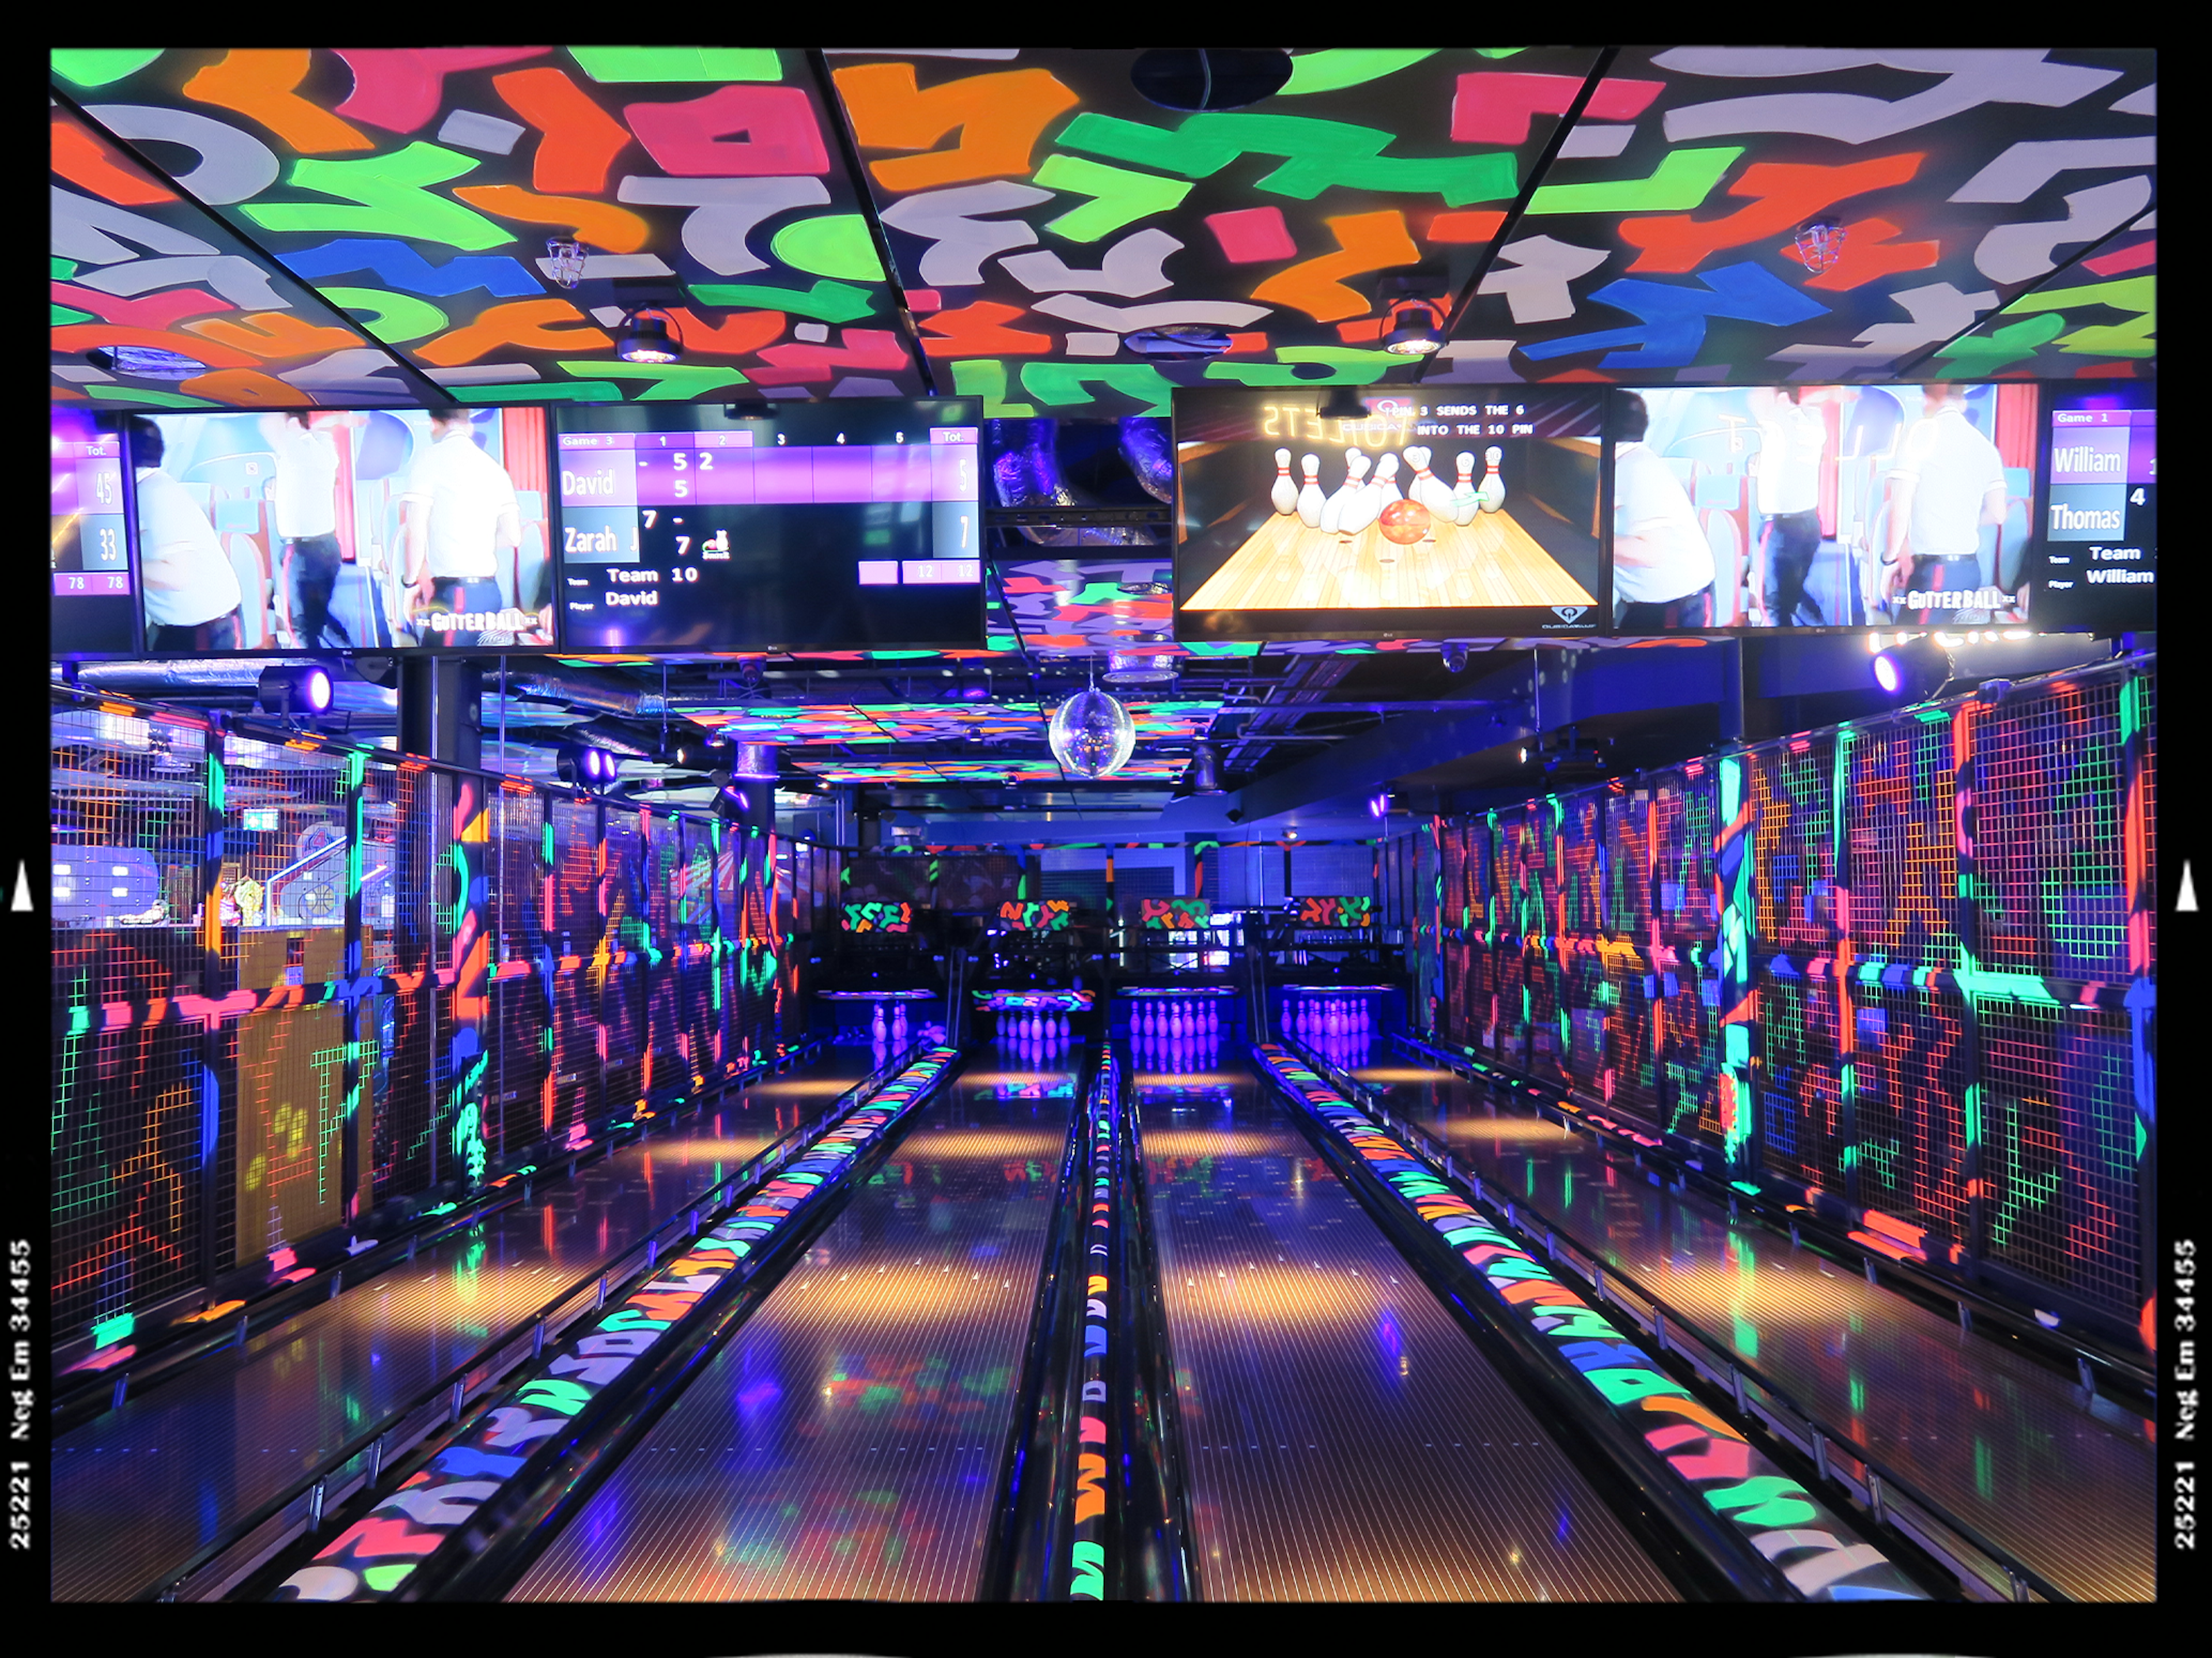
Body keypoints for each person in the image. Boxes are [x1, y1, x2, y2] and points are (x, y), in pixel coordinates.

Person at [1882, 384, 2007, 625]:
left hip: (1936, 572)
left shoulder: (1919, 434)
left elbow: (1900, 504)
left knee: (1913, 646)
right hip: (1970, 569)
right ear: (1963, 402)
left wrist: (1889, 559)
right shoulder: (1985, 446)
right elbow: (1998, 514)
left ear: (1928, 398)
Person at [400, 408, 520, 649]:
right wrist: (475, 540)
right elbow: (513, 536)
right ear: (470, 426)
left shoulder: (430, 459)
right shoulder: (494, 468)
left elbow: (415, 530)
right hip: (490, 593)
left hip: (456, 596)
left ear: (434, 423)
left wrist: (410, 582)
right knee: (475, 672)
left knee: (437, 672)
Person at [129, 415, 244, 651]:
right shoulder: (145, 489)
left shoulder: (154, 493)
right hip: (183, 626)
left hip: (202, 631)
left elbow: (176, 575)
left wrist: (116, 569)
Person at [1611, 392, 1715, 630]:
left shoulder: (1635, 468)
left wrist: (1584, 543)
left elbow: (1650, 552)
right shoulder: (1626, 463)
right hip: (1652, 604)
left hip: (1677, 608)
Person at [262, 410, 350, 649]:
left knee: (299, 627)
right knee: (319, 618)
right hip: (329, 548)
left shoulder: (292, 443)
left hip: (300, 552)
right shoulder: (324, 446)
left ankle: (309, 675)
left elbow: (268, 424)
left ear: (291, 423)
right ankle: (349, 654)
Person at [1749, 385, 1827, 626]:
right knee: (1793, 593)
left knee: (1772, 603)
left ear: (1781, 396)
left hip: (1781, 527)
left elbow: (1756, 401)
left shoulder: (1779, 419)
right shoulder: (1814, 419)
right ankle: (1821, 631)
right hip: (1810, 524)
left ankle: (1777, 654)